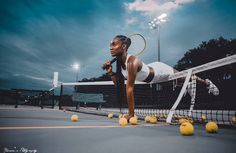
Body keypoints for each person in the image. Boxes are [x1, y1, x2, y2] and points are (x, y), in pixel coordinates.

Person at [103, 35, 219, 120]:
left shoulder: (131, 62)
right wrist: (110, 73)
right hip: (151, 76)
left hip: (160, 71)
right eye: (110, 45)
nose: (110, 47)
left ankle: (207, 83)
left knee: (186, 76)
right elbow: (118, 85)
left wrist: (131, 114)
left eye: (114, 44)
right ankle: (187, 86)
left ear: (123, 46)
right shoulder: (120, 63)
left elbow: (129, 89)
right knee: (177, 81)